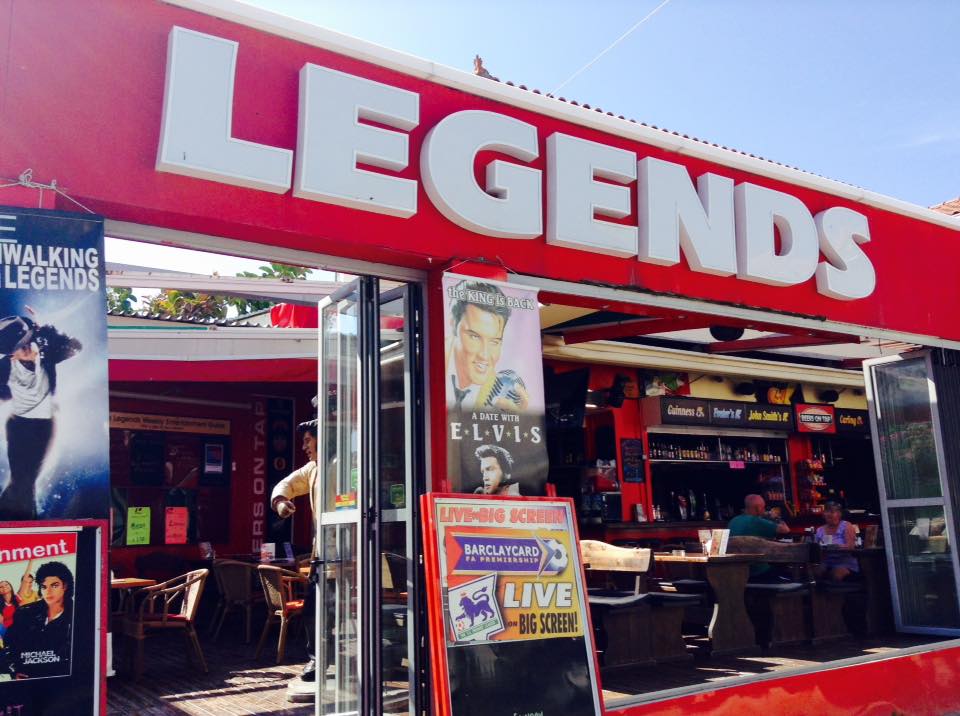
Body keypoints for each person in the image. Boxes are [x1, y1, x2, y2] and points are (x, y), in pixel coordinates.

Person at [0, 315, 82, 520]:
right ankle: (17, 523)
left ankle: (17, 522)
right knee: (22, 481)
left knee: (25, 481)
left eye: (27, 342)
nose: (26, 348)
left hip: (43, 425)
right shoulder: (5, 366)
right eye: (20, 347)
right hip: (19, 425)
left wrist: (47, 330)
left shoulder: (47, 353)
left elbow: (75, 346)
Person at [270, 418, 320, 683]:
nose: (304, 447)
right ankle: (317, 659)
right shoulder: (312, 469)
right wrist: (280, 501)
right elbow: (286, 484)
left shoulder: (352, 462)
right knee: (313, 610)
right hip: (322, 554)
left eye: (308, 440)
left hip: (354, 552)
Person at [446, 280, 529, 412]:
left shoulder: (504, 390)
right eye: (474, 336)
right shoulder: (427, 365)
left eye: (494, 342)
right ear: (453, 324)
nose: (484, 355)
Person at [0, 561, 74, 679]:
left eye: (54, 585)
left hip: (60, 679)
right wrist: (14, 669)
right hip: (27, 678)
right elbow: (10, 643)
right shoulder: (25, 612)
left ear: (65, 586)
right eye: (44, 587)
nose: (48, 591)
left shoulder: (76, 614)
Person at [729, 494, 790, 581]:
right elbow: (786, 530)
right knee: (787, 574)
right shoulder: (757, 521)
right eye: (763, 507)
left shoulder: (733, 521)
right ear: (758, 508)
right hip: (757, 571)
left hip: (737, 573)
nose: (764, 510)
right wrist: (776, 517)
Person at [814, 502, 860, 582]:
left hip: (845, 563)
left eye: (832, 512)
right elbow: (816, 549)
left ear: (839, 515)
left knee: (836, 574)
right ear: (824, 515)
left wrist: (835, 547)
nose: (830, 515)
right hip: (826, 562)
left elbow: (850, 546)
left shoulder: (846, 525)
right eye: (827, 512)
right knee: (813, 572)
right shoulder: (820, 530)